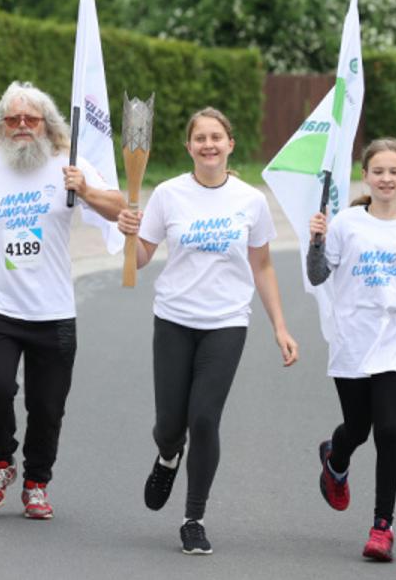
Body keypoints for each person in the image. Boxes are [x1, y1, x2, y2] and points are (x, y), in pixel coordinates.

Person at [0, 81, 125, 520]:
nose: (21, 126)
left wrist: (87, 191)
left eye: (30, 119)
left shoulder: (68, 165)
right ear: (1, 124)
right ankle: (1, 461)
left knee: (47, 406)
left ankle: (37, 483)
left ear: (46, 125)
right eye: (13, 119)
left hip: (53, 311)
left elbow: (120, 209)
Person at [117, 106, 298, 555]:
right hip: (175, 319)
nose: (209, 145)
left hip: (226, 323)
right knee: (169, 424)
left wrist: (280, 326)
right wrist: (127, 235)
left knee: (204, 418)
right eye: (200, 138)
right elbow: (140, 259)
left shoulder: (250, 200)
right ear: (189, 146)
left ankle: (193, 518)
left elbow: (263, 264)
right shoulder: (167, 195)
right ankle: (167, 455)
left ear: (230, 144)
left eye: (217, 137)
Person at [307, 137, 396, 562]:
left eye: (394, 171)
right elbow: (317, 276)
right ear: (365, 175)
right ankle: (335, 458)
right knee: (357, 429)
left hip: (393, 344)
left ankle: (382, 527)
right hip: (351, 341)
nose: (386, 178)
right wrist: (316, 240)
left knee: (389, 431)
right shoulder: (347, 224)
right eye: (378, 171)